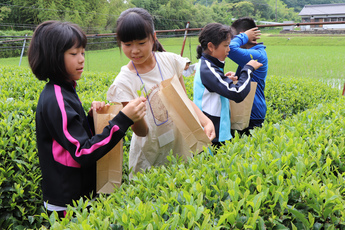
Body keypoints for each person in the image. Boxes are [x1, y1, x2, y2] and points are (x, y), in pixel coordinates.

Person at [28, 20, 147, 218]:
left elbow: (70, 136)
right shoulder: (57, 97)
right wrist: (123, 120)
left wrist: (91, 118)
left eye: (82, 52)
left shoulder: (65, 90)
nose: (81, 59)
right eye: (74, 54)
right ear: (53, 57)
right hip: (67, 203)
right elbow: (82, 151)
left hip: (76, 196)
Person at [106, 8, 215, 179]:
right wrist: (136, 115)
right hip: (149, 157)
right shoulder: (123, 83)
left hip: (180, 148)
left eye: (141, 43)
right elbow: (141, 132)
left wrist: (206, 121)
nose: (134, 50)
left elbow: (184, 101)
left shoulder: (170, 61)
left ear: (153, 37)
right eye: (127, 45)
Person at [193, 23, 262, 148]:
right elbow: (237, 93)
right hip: (213, 133)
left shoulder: (208, 65)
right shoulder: (208, 68)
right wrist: (248, 69)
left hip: (217, 130)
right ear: (211, 46)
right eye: (226, 45)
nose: (229, 49)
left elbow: (215, 85)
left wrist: (224, 78)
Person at [228, 17, 268, 136]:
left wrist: (244, 36)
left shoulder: (257, 55)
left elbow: (229, 48)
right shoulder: (254, 53)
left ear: (242, 35)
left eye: (233, 36)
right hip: (249, 111)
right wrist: (236, 76)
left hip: (252, 113)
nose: (230, 39)